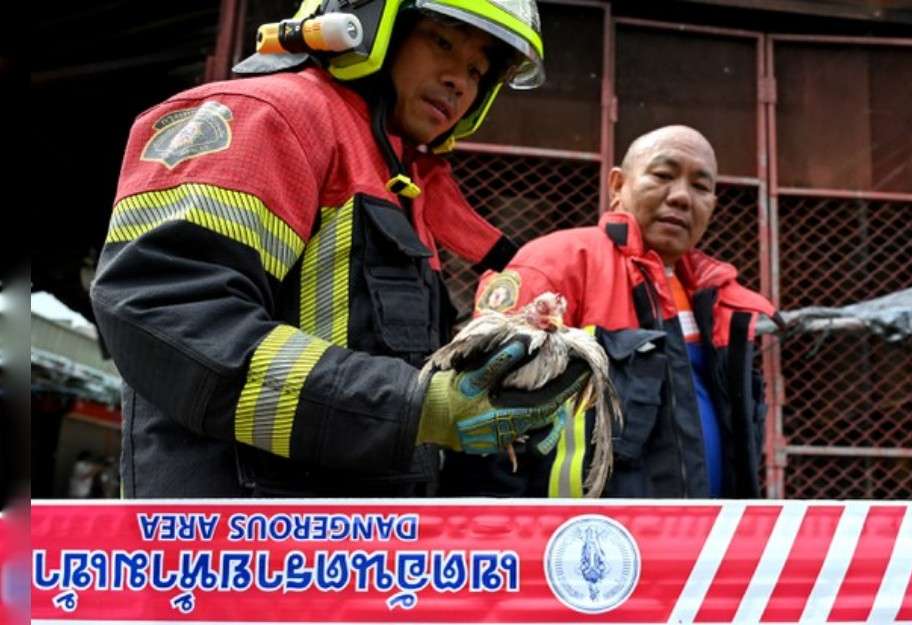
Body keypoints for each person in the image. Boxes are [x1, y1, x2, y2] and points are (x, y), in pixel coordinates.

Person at [90, 0, 587, 498]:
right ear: (367, 19)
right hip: (238, 548)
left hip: (353, 547)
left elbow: (384, 363)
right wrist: (420, 406)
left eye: (478, 70)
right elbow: (166, 314)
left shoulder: (400, 182)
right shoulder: (271, 115)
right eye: (443, 43)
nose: (461, 81)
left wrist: (494, 381)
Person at [440, 125, 775, 498]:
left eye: (700, 187)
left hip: (705, 545)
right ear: (617, 186)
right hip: (589, 546)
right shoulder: (558, 264)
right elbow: (482, 420)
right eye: (663, 175)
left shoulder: (721, 302)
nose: (682, 197)